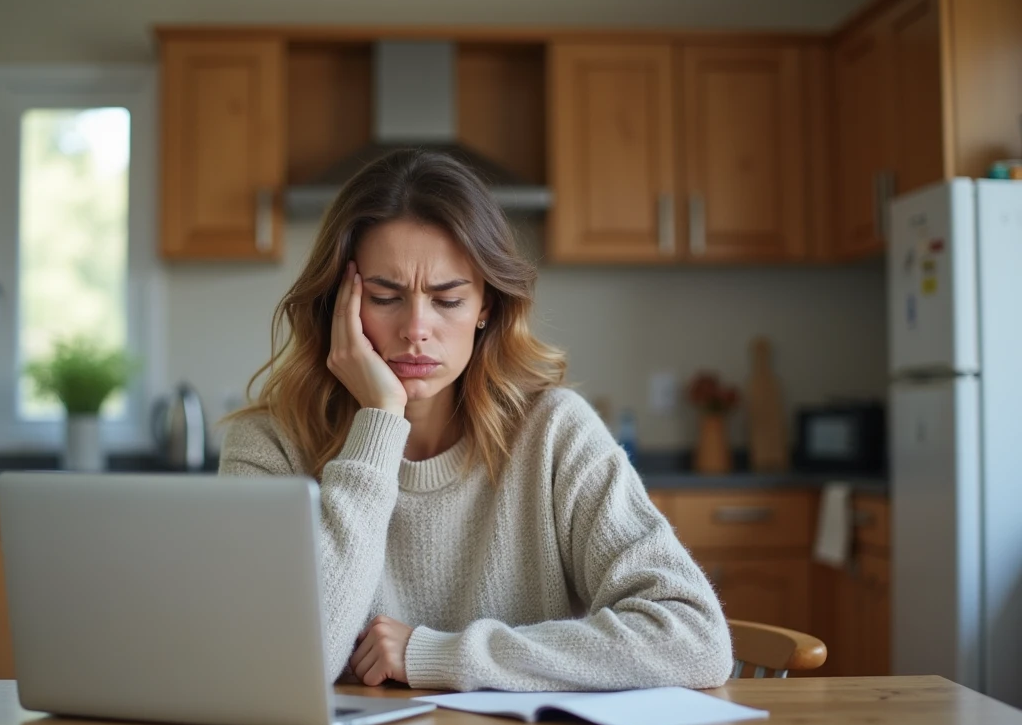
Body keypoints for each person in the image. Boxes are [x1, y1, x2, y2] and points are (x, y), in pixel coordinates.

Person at [221, 149, 733, 693]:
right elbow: (279, 669)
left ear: (486, 305)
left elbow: (695, 638)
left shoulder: (555, 433)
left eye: (447, 299)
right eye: (384, 296)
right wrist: (378, 422)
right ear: (337, 304)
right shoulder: (268, 445)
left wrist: (437, 654)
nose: (417, 328)